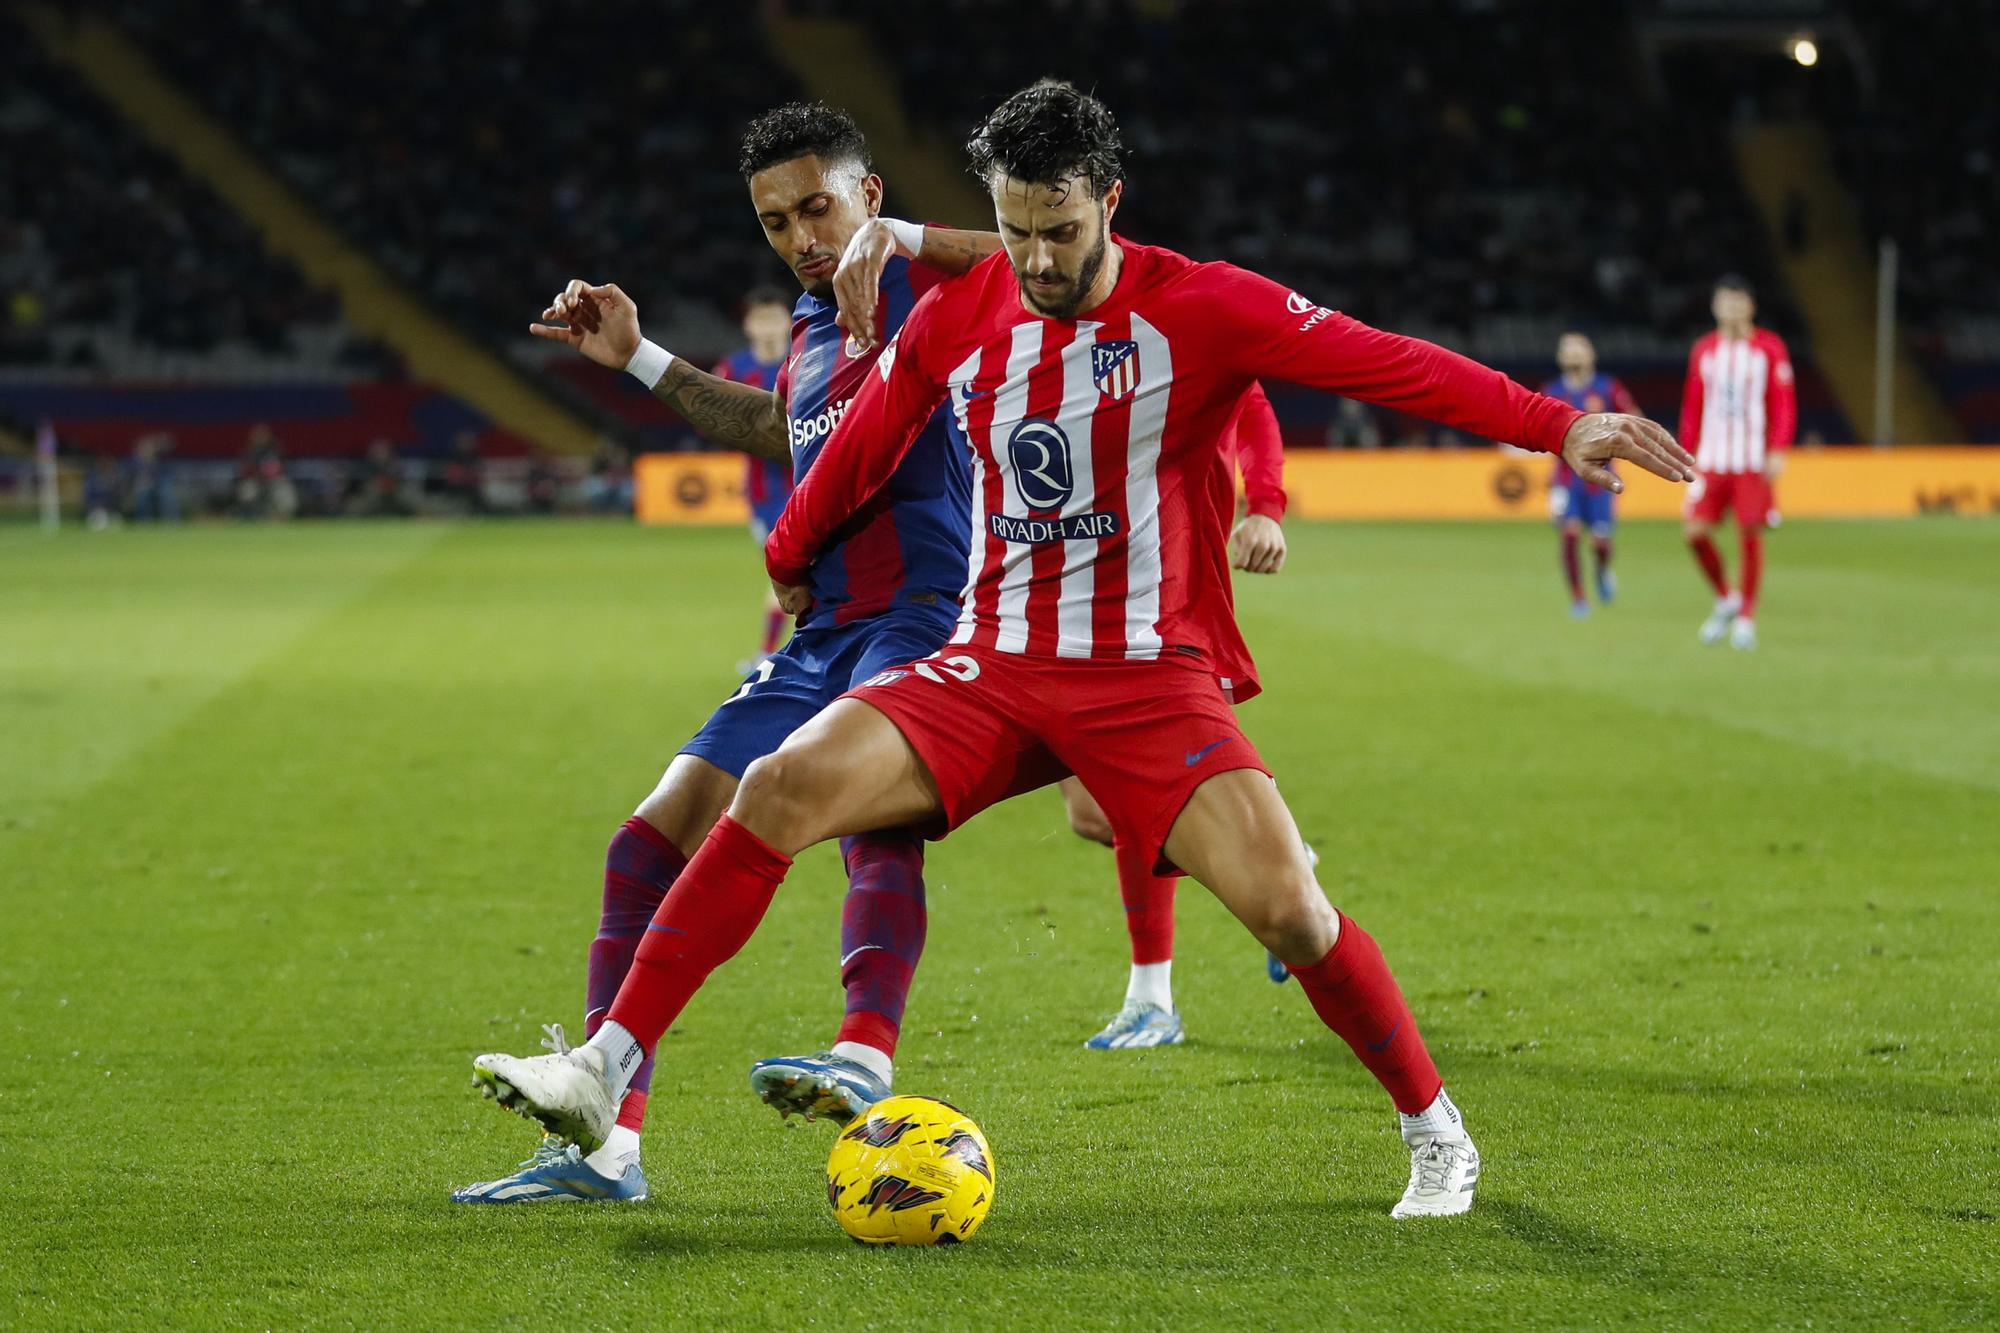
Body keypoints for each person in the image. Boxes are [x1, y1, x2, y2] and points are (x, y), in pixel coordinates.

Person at [470, 80, 1695, 1218]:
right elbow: (858, 438)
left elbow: (1387, 362)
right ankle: (603, 1070)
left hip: (1142, 678)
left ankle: (1434, 1127)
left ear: (1107, 202)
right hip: (990, 663)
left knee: (1291, 914)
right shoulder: (964, 311)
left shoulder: (1202, 304)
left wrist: (1556, 423)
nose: (1038, 260)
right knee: (785, 782)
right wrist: (789, 545)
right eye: (1014, 231)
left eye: (1059, 229)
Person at [450, 101, 1001, 1205]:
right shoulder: (809, 320)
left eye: (819, 207)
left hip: (919, 615)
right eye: (774, 219)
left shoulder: (925, 287)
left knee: (874, 827)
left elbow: (1065, 257)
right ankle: (609, 1146)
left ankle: (862, 1055)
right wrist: (639, 358)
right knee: (644, 842)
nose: (801, 236)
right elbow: (778, 429)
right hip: (822, 628)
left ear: (868, 195)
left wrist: (902, 244)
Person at [1064, 381, 1297, 1051]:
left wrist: (1267, 506)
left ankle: (1152, 996)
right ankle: (1277, 857)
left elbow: (1250, 403)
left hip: (1174, 587)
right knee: (1090, 811)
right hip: (1070, 588)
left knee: (1141, 799)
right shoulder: (1045, 316)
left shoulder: (1180, 304)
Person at [1681, 276, 1795, 650]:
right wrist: (1686, 453)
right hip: (1712, 458)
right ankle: (1725, 598)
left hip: (1749, 459)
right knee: (1694, 533)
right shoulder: (1704, 350)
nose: (1731, 308)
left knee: (1750, 535)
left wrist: (1777, 448)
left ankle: (1746, 617)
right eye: (1724, 302)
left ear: (1750, 306)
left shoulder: (1769, 348)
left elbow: (1782, 402)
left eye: (1738, 302)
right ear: (1715, 307)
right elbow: (1694, 405)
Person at [715, 287, 799, 663]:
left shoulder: (809, 358)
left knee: (799, 573)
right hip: (766, 495)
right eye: (760, 320)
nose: (768, 328)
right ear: (748, 325)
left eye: (774, 319)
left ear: (789, 321)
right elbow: (715, 422)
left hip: (814, 482)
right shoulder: (732, 371)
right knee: (790, 572)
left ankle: (770, 655)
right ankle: (772, 654)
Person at [1541, 333, 1639, 617]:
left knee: (1600, 541)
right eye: (1567, 350)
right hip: (1565, 478)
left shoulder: (1607, 388)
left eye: (1578, 349)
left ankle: (1602, 568)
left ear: (1591, 354)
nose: (1573, 355)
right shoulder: (1552, 391)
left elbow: (1634, 418)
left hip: (1601, 479)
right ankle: (1579, 599)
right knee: (1569, 534)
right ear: (1560, 358)